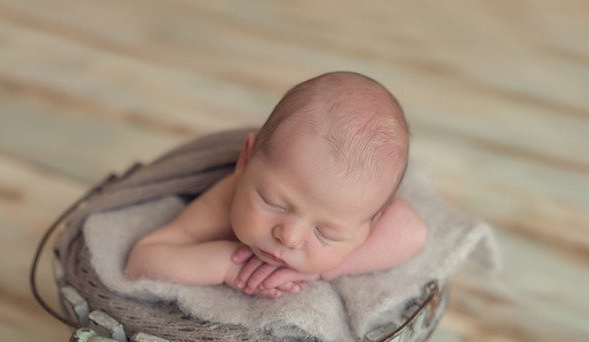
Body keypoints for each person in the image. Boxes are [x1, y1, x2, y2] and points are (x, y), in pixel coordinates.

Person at [125, 71, 427, 298]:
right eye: (275, 203)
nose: (290, 237)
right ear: (245, 161)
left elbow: (412, 232)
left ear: (370, 225)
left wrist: (322, 269)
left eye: (327, 233)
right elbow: (143, 259)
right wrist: (229, 265)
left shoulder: (361, 210)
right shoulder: (224, 202)